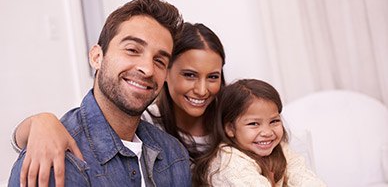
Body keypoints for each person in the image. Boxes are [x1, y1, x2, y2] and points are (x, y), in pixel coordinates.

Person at [11, 21, 226, 185]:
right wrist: (39, 121)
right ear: (97, 56)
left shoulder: (175, 152)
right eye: (132, 50)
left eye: (159, 60)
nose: (201, 89)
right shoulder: (66, 157)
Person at [192, 79, 326, 186]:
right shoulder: (230, 163)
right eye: (254, 124)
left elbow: (303, 176)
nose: (267, 132)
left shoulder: (281, 149)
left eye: (274, 121)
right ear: (230, 129)